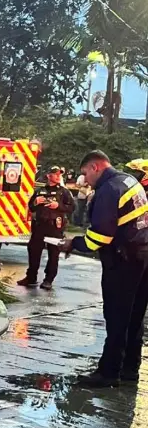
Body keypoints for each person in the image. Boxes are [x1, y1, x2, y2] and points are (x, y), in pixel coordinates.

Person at [60, 151, 148, 387]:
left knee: (117, 316)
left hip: (124, 260)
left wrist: (72, 243)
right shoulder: (128, 180)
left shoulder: (109, 190)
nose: (84, 180)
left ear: (96, 167)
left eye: (85, 173)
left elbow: (98, 238)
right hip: (142, 255)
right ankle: (130, 368)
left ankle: (109, 373)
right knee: (135, 315)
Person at [18, 166, 75, 290]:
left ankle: (48, 280)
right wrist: (35, 202)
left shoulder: (64, 192)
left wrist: (58, 205)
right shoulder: (40, 190)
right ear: (48, 176)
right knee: (34, 251)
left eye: (59, 174)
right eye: (55, 174)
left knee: (53, 254)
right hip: (39, 226)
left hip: (55, 227)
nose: (58, 176)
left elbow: (71, 208)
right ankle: (31, 277)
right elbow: (31, 208)